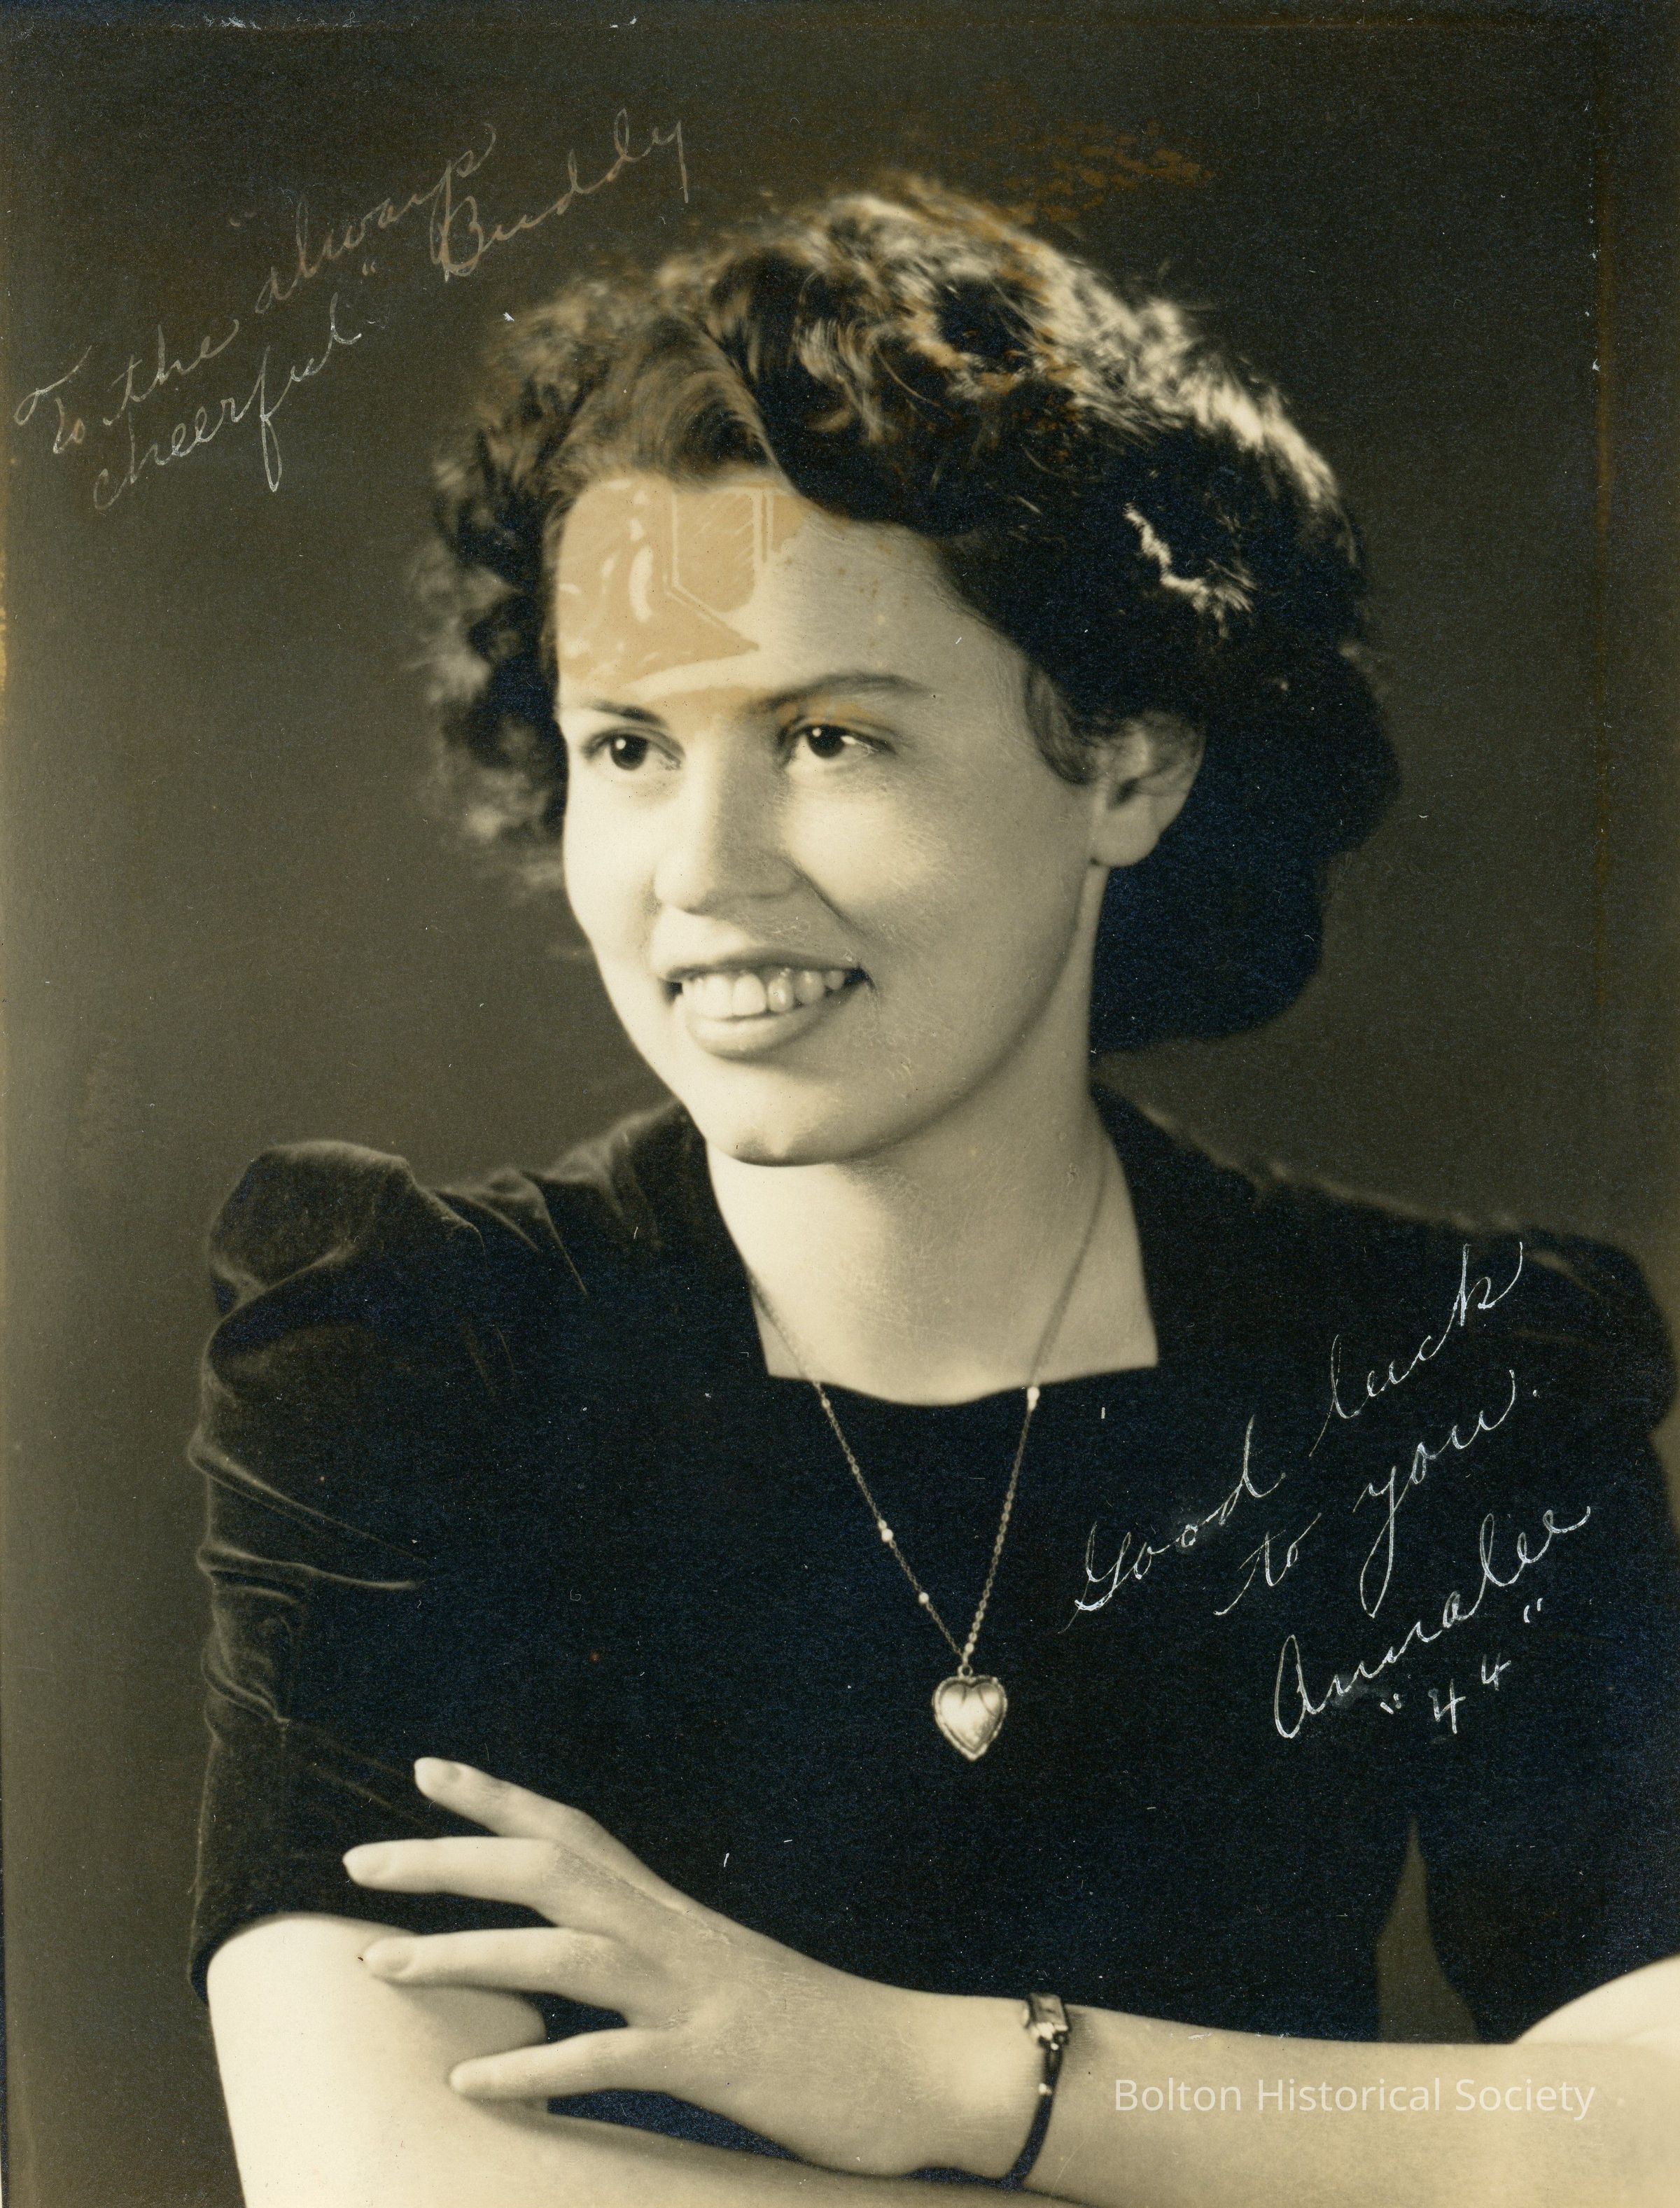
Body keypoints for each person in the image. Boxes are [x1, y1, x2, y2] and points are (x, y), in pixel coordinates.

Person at [193, 184, 1680, 2207]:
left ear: (1129, 765)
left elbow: (1653, 2124)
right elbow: (384, 2181)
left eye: (827, 735)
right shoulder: (411, 1353)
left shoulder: (1445, 1372)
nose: (700, 871)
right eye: (629, 746)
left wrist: (935, 2074)